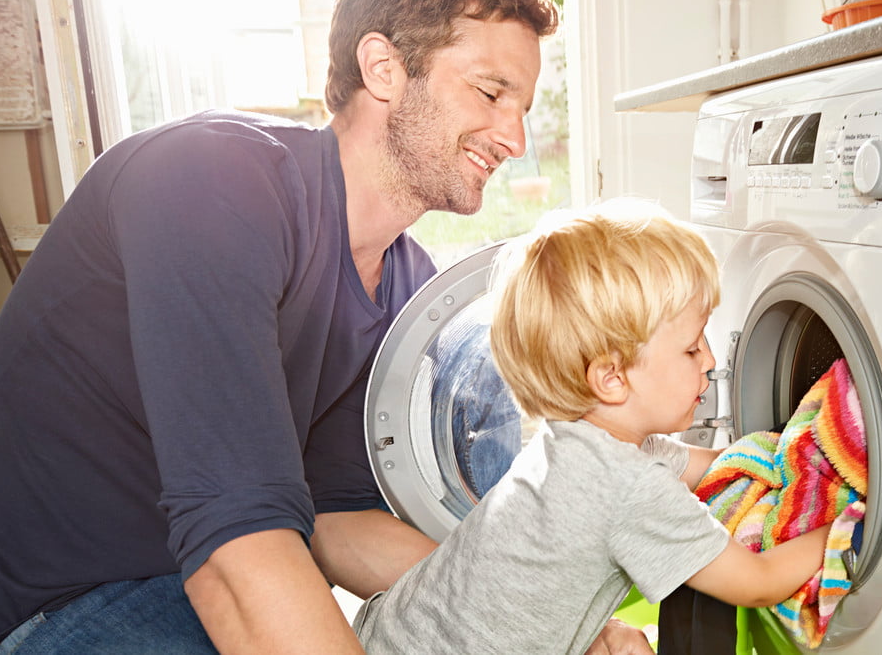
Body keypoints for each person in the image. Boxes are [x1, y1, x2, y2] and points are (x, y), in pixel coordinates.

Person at [0, 0, 563, 653]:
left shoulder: (408, 282)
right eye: (492, 93)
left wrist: (546, 623)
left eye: (522, 107)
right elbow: (234, 548)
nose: (516, 138)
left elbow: (336, 516)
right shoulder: (210, 182)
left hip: (199, 572)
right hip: (59, 601)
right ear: (384, 69)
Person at [352, 199, 832, 654]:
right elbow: (757, 582)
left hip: (390, 630)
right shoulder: (628, 487)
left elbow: (722, 465)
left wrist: (796, 451)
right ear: (611, 379)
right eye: (690, 348)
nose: (709, 360)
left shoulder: (579, 445)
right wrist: (846, 525)